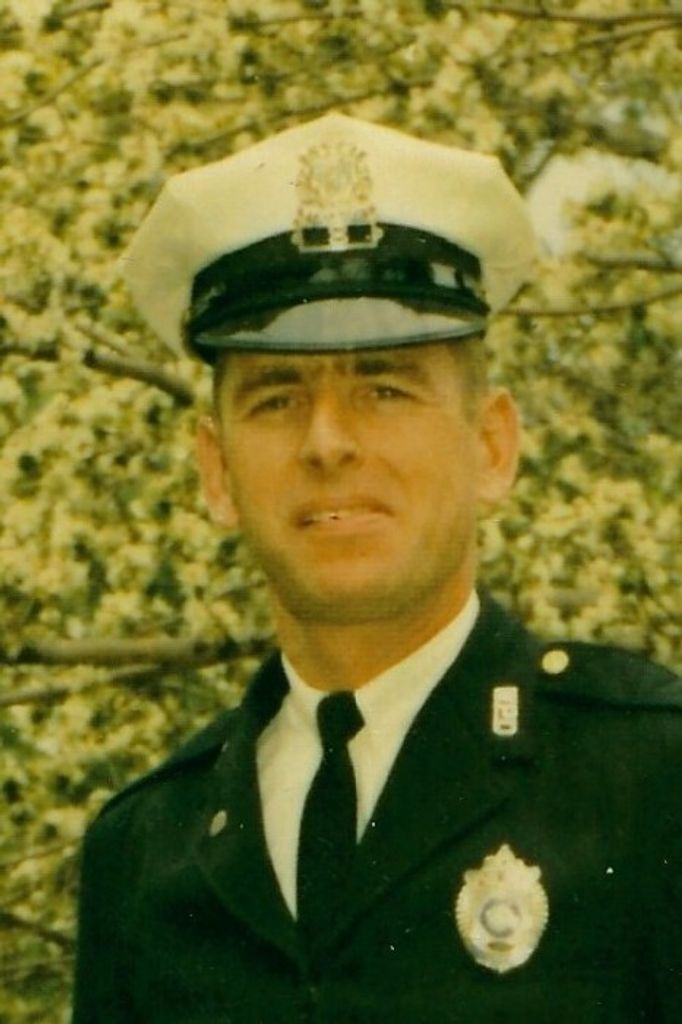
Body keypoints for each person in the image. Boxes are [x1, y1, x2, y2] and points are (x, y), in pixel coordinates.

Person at [72, 114, 682, 1023]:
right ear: (216, 469)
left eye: (384, 389)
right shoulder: (146, 852)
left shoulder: (648, 782)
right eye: (277, 399)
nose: (327, 442)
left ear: (491, 445)